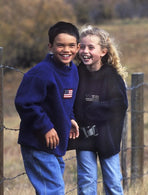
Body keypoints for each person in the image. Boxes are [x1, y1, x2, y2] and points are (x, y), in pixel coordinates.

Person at [15, 21, 80, 195]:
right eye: (60, 45)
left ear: (78, 47)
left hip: (55, 144)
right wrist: (45, 127)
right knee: (54, 190)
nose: (66, 50)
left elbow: (65, 101)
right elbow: (25, 103)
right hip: (37, 143)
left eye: (71, 45)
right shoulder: (41, 72)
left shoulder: (73, 71)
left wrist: (70, 118)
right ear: (50, 46)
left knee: (49, 189)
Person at [67, 25, 128, 195]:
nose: (85, 51)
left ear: (103, 52)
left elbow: (119, 106)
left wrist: (91, 109)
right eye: (82, 46)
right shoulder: (75, 74)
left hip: (107, 138)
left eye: (91, 47)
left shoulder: (112, 76)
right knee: (86, 182)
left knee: (113, 182)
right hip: (84, 138)